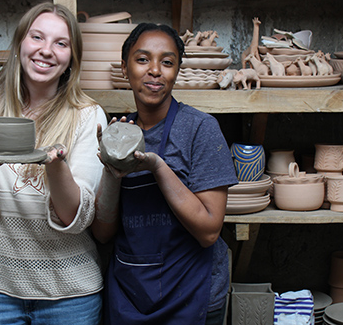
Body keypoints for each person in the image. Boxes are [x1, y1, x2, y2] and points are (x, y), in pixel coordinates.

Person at [0, 2, 107, 324]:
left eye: (60, 44)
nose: (46, 51)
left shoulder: (88, 116)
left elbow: (76, 218)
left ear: (71, 59)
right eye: (37, 38)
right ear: (20, 43)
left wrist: (56, 165)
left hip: (70, 295)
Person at [91, 23, 238, 325]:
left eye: (167, 62)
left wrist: (157, 167)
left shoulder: (200, 129)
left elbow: (209, 231)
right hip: (130, 290)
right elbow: (103, 233)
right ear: (124, 68)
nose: (155, 70)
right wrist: (111, 169)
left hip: (191, 290)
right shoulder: (119, 135)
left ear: (177, 70)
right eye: (142, 59)